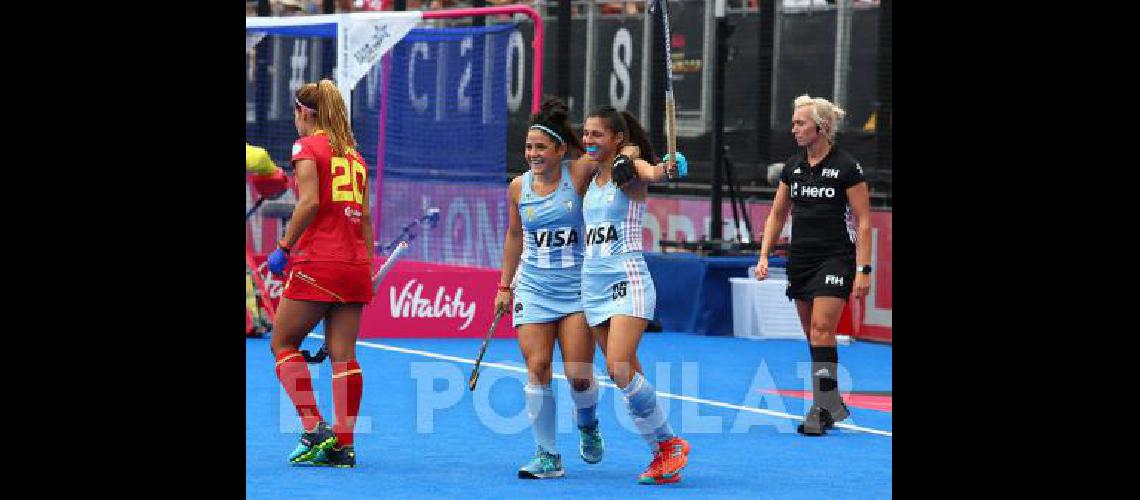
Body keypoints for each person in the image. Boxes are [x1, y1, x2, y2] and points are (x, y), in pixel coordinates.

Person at [573, 105, 689, 485]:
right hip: (593, 284)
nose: (589, 140)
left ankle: (671, 444)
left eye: (597, 135)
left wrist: (670, 165)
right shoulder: (590, 175)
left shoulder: (630, 171)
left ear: (617, 138)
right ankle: (663, 452)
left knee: (618, 367)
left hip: (628, 279)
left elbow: (656, 172)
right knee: (627, 375)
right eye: (586, 133)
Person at [495, 96, 605, 479]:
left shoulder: (577, 174)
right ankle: (547, 455)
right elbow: (514, 236)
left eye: (542, 147)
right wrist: (504, 286)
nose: (533, 154)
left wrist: (656, 166)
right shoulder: (517, 188)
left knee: (578, 373)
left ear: (561, 149)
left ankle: (588, 424)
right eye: (529, 147)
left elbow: (613, 150)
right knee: (537, 366)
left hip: (576, 291)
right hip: (533, 289)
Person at [268, 79, 374, 467]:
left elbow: (309, 202)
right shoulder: (355, 157)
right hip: (353, 266)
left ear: (304, 113)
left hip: (318, 262)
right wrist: (365, 266)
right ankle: (343, 445)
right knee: (344, 356)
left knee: (283, 343)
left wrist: (283, 247)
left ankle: (314, 427)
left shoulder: (306, 147)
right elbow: (364, 219)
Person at [753, 94, 872, 436]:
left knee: (822, 329)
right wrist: (764, 255)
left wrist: (864, 269)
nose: (794, 129)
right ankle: (833, 400)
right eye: (793, 123)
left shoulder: (847, 166)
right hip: (800, 259)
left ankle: (820, 407)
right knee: (813, 334)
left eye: (800, 123)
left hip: (836, 257)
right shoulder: (793, 167)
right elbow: (778, 214)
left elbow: (864, 221)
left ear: (820, 127)